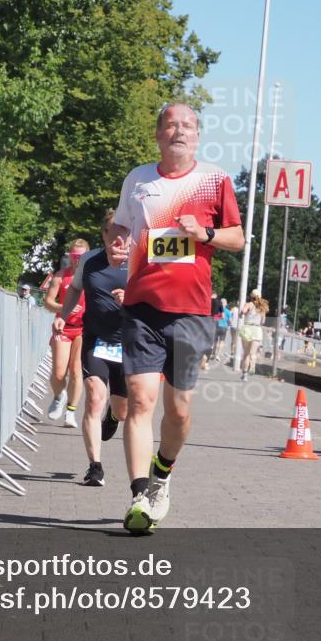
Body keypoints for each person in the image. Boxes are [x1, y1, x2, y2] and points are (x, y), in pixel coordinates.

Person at [106, 102, 244, 533]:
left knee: (179, 410)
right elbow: (122, 228)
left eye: (187, 126)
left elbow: (237, 239)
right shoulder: (138, 179)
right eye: (170, 125)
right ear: (158, 134)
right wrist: (117, 245)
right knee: (141, 400)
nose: (178, 132)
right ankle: (139, 496)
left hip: (191, 311)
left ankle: (162, 475)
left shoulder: (214, 180)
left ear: (198, 136)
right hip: (142, 305)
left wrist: (202, 233)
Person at [54, 211, 129, 487]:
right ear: (104, 235)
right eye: (114, 231)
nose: (120, 236)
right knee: (95, 396)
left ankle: (113, 414)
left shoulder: (140, 261)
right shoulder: (90, 259)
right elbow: (75, 288)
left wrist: (130, 300)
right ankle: (95, 466)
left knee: (122, 410)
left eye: (126, 230)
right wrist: (63, 313)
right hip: (97, 339)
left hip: (129, 343)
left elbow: (155, 298)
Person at [44, 239, 90, 428]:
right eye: (73, 256)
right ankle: (59, 395)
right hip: (64, 327)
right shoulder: (61, 277)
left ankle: (71, 412)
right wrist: (64, 307)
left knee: (77, 370)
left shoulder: (92, 276)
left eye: (80, 257)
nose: (76, 260)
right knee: (58, 372)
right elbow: (47, 302)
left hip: (84, 328)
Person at [239, 290, 269, 381]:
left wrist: (242, 314)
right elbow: (263, 322)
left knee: (246, 354)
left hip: (248, 328)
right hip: (257, 329)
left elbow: (243, 312)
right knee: (253, 353)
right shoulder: (262, 307)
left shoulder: (248, 304)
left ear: (251, 296)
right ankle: (252, 366)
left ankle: (245, 374)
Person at [199, 291, 221, 372]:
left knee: (201, 341)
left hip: (202, 321)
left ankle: (201, 359)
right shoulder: (218, 302)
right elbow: (221, 315)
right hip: (212, 322)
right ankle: (206, 362)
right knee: (210, 344)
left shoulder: (204, 300)